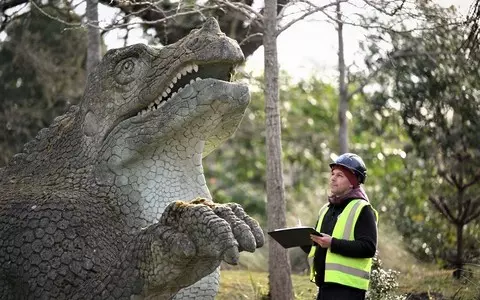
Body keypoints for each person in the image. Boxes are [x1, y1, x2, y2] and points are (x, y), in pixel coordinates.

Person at [302, 153, 378, 300]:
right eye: (332, 174)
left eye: (340, 175)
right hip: (324, 286)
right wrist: (302, 240)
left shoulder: (362, 209)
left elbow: (369, 247)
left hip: (348, 291)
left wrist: (332, 243)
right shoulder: (326, 209)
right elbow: (320, 247)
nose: (333, 178)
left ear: (352, 182)